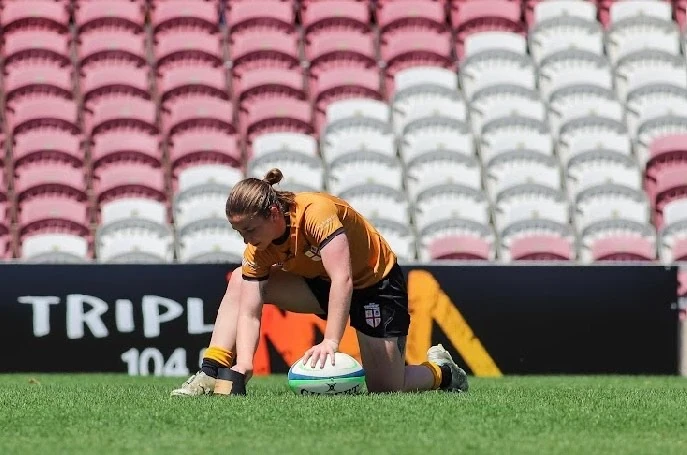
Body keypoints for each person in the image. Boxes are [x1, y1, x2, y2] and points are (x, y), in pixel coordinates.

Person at [171, 168, 468, 396]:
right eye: (240, 233)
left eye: (250, 230)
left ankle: (443, 372)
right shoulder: (258, 249)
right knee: (240, 279)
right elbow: (249, 311)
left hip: (374, 284)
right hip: (320, 283)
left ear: (273, 213)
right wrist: (245, 363)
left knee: (387, 387)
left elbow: (343, 278)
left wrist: (330, 341)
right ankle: (211, 371)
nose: (247, 240)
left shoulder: (316, 213)